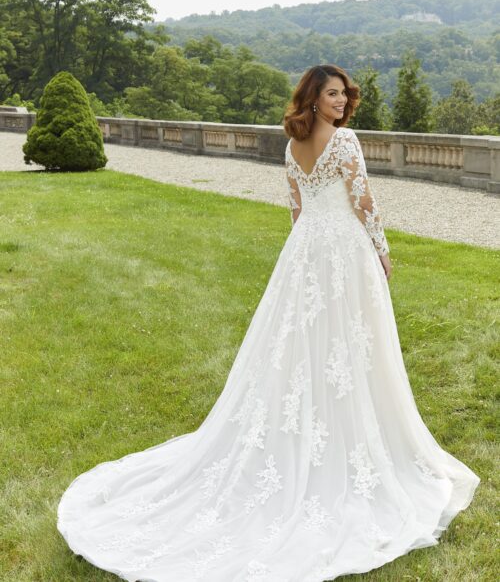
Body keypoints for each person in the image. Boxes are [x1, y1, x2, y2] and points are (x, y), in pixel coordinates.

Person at [57, 64, 480, 582]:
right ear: (313, 97)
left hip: (305, 251)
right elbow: (363, 201)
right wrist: (382, 250)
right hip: (343, 250)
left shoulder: (292, 145)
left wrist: (304, 253)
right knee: (345, 342)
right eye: (332, 94)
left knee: (305, 342)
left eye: (344, 95)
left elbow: (297, 210)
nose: (341, 102)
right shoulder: (344, 141)